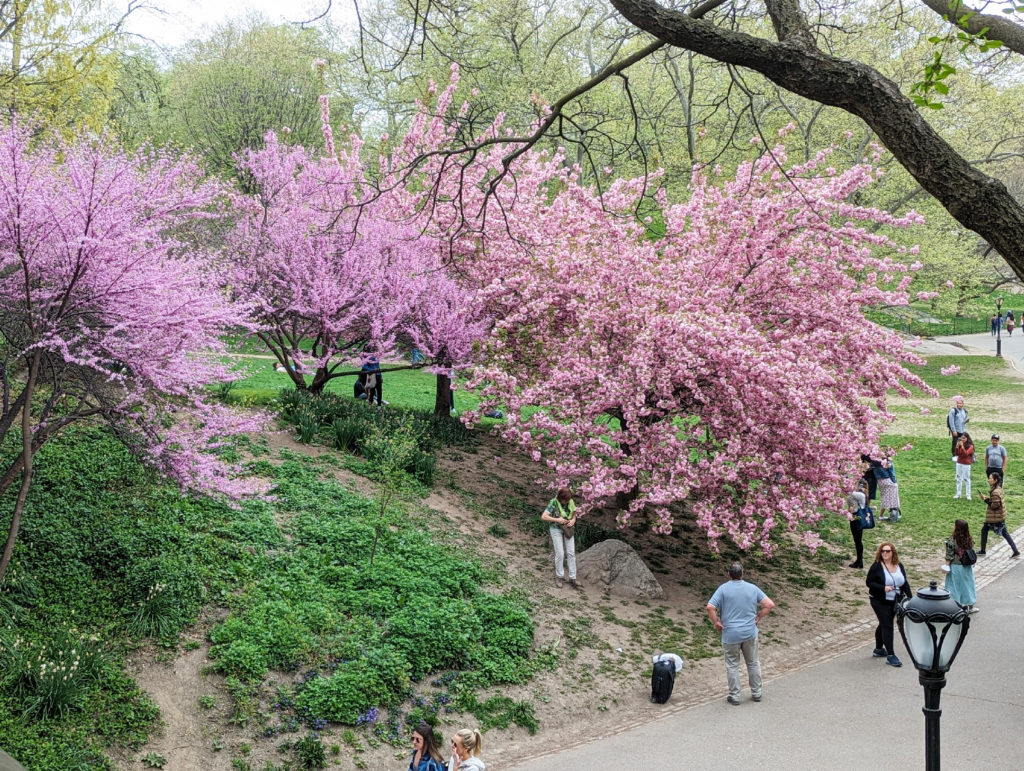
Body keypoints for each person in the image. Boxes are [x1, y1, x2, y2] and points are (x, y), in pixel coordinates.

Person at [706, 561, 775, 705]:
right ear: (742, 574)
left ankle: (735, 695)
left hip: (730, 634)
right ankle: (756, 692)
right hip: (749, 632)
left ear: (729, 574)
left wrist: (716, 622)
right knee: (753, 662)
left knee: (732, 665)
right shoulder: (752, 588)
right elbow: (769, 604)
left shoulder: (723, 589)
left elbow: (710, 607)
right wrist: (758, 617)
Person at [865, 542, 912, 668]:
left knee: (884, 623)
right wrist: (883, 588)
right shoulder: (876, 566)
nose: (885, 553)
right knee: (888, 625)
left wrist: (911, 598)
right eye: (883, 551)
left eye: (887, 551)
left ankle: (879, 649)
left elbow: (904, 583)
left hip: (894, 600)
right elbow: (869, 582)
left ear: (893, 552)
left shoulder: (899, 565)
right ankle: (891, 655)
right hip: (879, 600)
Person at [540, 487, 582, 589]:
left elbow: (573, 514)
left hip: (568, 529)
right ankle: (559, 576)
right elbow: (544, 516)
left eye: (567, 500)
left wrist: (573, 520)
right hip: (556, 528)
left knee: (571, 552)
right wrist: (557, 520)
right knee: (560, 553)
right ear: (560, 498)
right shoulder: (553, 502)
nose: (566, 502)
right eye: (564, 500)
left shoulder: (571, 502)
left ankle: (573, 577)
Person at [979, 472, 1020, 557]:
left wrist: (985, 499)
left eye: (990, 478)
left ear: (995, 480)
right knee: (1005, 533)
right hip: (1000, 516)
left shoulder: (995, 492)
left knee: (984, 530)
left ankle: (983, 551)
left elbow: (995, 506)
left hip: (995, 517)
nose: (989, 480)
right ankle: (1015, 551)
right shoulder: (998, 488)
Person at [945, 519, 978, 613]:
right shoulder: (969, 539)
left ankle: (955, 608)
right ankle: (970, 607)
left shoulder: (952, 540)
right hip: (967, 567)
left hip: (956, 566)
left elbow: (949, 555)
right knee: (968, 586)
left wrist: (946, 566)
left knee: (954, 587)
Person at [846, 480, 867, 569]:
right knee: (857, 540)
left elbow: (848, 491)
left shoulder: (860, 494)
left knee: (858, 540)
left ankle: (859, 561)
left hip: (857, 518)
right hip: (854, 517)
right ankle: (859, 560)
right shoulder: (859, 494)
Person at [947, 396, 969, 460]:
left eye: (960, 403)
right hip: (956, 430)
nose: (959, 404)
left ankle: (960, 454)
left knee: (962, 442)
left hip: (963, 430)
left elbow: (962, 421)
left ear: (963, 404)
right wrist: (953, 430)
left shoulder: (964, 411)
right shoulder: (953, 411)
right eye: (958, 403)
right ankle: (954, 455)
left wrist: (966, 421)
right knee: (955, 442)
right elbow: (951, 421)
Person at [953, 432, 974, 500]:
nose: (962, 440)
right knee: (958, 478)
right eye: (962, 438)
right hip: (959, 462)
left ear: (967, 438)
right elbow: (957, 453)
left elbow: (966, 454)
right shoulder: (960, 444)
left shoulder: (970, 446)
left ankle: (968, 494)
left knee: (966, 479)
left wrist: (962, 446)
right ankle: (958, 493)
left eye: (964, 438)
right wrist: (957, 446)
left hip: (966, 464)